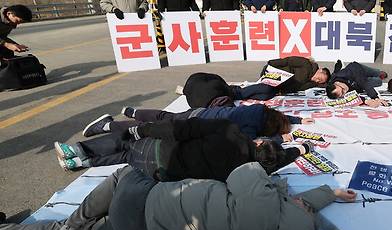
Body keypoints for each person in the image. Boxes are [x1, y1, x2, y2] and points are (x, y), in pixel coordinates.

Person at [1, 163, 357, 230]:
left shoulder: (261, 197)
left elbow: (243, 171)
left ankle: (72, 224)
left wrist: (273, 181)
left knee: (124, 175)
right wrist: (327, 195)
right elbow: (294, 224)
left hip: (146, 202)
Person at [53, 118, 308, 181]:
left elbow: (183, 128)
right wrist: (302, 149)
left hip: (161, 151)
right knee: (129, 156)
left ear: (260, 142)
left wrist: (146, 129)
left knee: (126, 141)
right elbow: (279, 159)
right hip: (161, 174)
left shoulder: (230, 131)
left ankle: (76, 149)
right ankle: (82, 163)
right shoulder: (248, 173)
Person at [81, 103, 313, 144]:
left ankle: (134, 111)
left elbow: (278, 114)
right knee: (156, 129)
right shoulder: (253, 129)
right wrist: (278, 138)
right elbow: (254, 142)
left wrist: (298, 119)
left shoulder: (261, 110)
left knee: (165, 116)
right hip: (197, 123)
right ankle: (109, 125)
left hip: (202, 111)